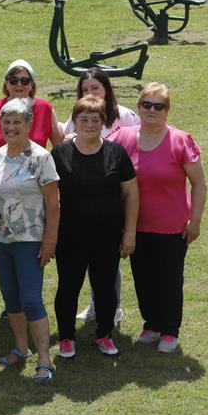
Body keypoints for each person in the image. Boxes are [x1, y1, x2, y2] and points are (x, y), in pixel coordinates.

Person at [110, 82, 206, 354]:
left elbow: (199, 184)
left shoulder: (179, 141)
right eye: (146, 105)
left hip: (172, 227)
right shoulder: (123, 137)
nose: (151, 110)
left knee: (169, 279)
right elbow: (100, 154)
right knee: (143, 276)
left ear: (167, 110)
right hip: (136, 225)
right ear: (138, 107)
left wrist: (195, 220)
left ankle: (169, 330)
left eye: (158, 106)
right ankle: (151, 324)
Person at [51, 96, 138, 359]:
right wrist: (49, 235)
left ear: (103, 123)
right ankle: (66, 337)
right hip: (69, 236)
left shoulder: (116, 153)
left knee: (105, 287)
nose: (89, 124)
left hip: (107, 236)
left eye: (95, 119)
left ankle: (104, 334)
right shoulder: (59, 154)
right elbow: (47, 197)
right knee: (68, 286)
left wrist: (130, 232)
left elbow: (132, 193)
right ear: (74, 122)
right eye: (83, 119)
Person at [0, 98, 59, 383]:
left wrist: (50, 240)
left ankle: (44, 360)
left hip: (29, 239)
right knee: (11, 298)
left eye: (17, 122)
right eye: (6, 121)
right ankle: (20, 349)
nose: (11, 127)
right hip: (0, 240)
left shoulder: (41, 157)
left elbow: (53, 203)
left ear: (29, 124)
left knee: (30, 299)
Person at [67, 68, 141, 324]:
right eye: (85, 90)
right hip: (88, 200)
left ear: (106, 90)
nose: (90, 93)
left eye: (95, 88)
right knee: (90, 260)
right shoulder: (80, 116)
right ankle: (96, 304)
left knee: (109, 261)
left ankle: (113, 306)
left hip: (117, 195)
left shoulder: (127, 117)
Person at [0, 59, 63, 158]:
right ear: (6, 83)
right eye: (13, 80)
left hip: (35, 170)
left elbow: (60, 149)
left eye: (25, 81)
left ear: (32, 84)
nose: (19, 84)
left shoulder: (45, 109)